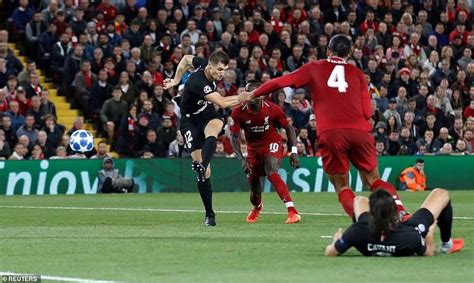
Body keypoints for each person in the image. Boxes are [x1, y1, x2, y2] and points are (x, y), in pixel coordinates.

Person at [240, 34, 409, 220]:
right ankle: (400, 210)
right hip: (360, 131)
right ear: (350, 53)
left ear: (328, 50)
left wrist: (253, 93)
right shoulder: (358, 74)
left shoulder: (315, 67)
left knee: (342, 186)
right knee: (373, 180)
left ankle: (363, 221)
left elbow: (281, 81)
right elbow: (368, 112)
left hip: (331, 132)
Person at [163, 51, 245, 226]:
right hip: (190, 122)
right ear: (210, 66)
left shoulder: (202, 64)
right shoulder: (197, 81)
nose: (222, 74)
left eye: (224, 70)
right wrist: (247, 97)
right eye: (220, 69)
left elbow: (185, 59)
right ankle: (209, 213)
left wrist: (176, 79)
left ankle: (202, 165)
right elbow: (222, 102)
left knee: (214, 129)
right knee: (205, 175)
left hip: (207, 115)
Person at [230, 81, 301, 224]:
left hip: (272, 143)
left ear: (261, 95)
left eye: (254, 93)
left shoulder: (273, 109)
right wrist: (241, 159)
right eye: (248, 93)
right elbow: (234, 137)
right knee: (255, 191)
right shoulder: (238, 112)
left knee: (272, 171)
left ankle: (292, 211)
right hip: (253, 150)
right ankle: (257, 207)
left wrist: (293, 151)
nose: (251, 96)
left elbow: (289, 129)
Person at [324, 188, 464, 257]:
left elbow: (330, 252)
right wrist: (430, 233)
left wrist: (337, 240)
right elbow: (428, 252)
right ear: (395, 213)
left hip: (367, 233)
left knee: (359, 200)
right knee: (441, 193)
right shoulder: (411, 236)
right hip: (405, 231)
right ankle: (447, 244)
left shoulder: (356, 232)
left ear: (371, 213)